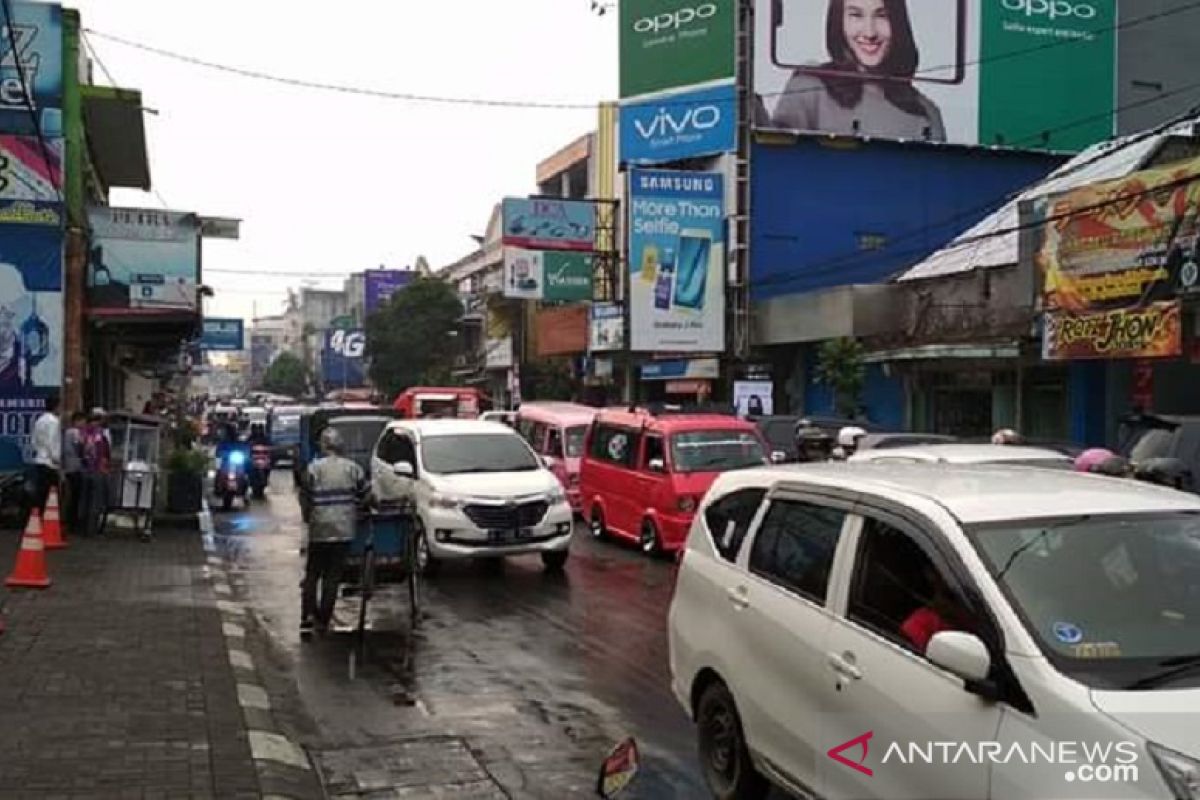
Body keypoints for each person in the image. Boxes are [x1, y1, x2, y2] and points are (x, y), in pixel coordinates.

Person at [770, 0, 946, 142]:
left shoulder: (927, 113)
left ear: (898, 22)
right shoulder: (808, 89)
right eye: (856, 15)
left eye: (882, 15)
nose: (870, 32)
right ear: (839, 21)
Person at [300, 428, 367, 635]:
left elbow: (305, 499)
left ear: (322, 446)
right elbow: (365, 495)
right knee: (332, 576)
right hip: (344, 530)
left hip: (319, 529)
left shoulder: (313, 469)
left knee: (313, 574)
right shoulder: (353, 469)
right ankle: (324, 618)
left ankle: (308, 616)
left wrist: (309, 518)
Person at [25, 392, 61, 529]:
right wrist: (56, 459)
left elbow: (34, 440)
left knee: (40, 493)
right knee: (50, 496)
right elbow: (52, 442)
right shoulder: (53, 421)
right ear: (56, 406)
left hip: (39, 459)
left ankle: (35, 520)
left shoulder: (39, 420)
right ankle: (47, 524)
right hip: (49, 462)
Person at [78, 410, 112, 537]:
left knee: (85, 500)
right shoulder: (100, 436)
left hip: (85, 470)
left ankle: (83, 527)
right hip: (97, 471)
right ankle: (91, 529)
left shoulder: (83, 435)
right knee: (95, 501)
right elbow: (105, 454)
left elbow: (80, 453)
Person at [62, 411, 87, 535]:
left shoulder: (66, 433)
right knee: (76, 496)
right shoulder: (75, 432)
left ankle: (69, 521)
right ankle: (73, 522)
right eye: (82, 421)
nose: (84, 424)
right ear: (77, 421)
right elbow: (80, 447)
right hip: (75, 467)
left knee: (72, 495)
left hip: (68, 467)